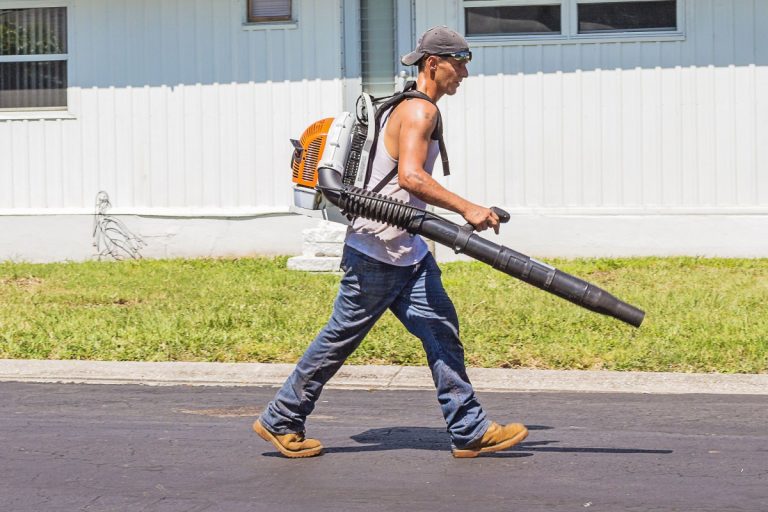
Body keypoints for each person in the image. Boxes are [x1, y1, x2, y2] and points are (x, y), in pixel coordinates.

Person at [254, 26, 528, 459]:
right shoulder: (420, 112)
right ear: (433, 64)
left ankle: (469, 428)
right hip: (377, 252)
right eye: (460, 64)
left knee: (441, 331)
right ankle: (282, 417)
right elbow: (412, 178)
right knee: (339, 338)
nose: (464, 74)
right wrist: (468, 209)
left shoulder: (401, 106)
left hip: (406, 250)